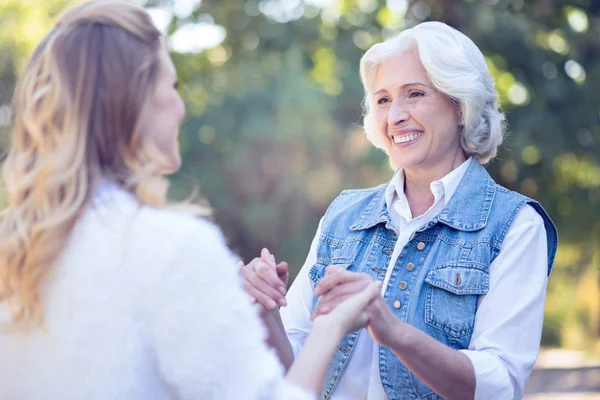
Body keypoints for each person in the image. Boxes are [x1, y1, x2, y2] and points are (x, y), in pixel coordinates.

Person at [0, 1, 382, 399]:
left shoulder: (16, 247)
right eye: (173, 86)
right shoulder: (173, 248)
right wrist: (330, 329)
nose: (180, 106)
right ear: (138, 102)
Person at [241, 21, 558, 400]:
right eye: (383, 99)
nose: (395, 117)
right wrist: (264, 311)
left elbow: (499, 385)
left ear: (461, 105)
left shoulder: (515, 225)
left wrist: (393, 331)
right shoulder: (343, 214)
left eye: (415, 94)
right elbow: (295, 370)